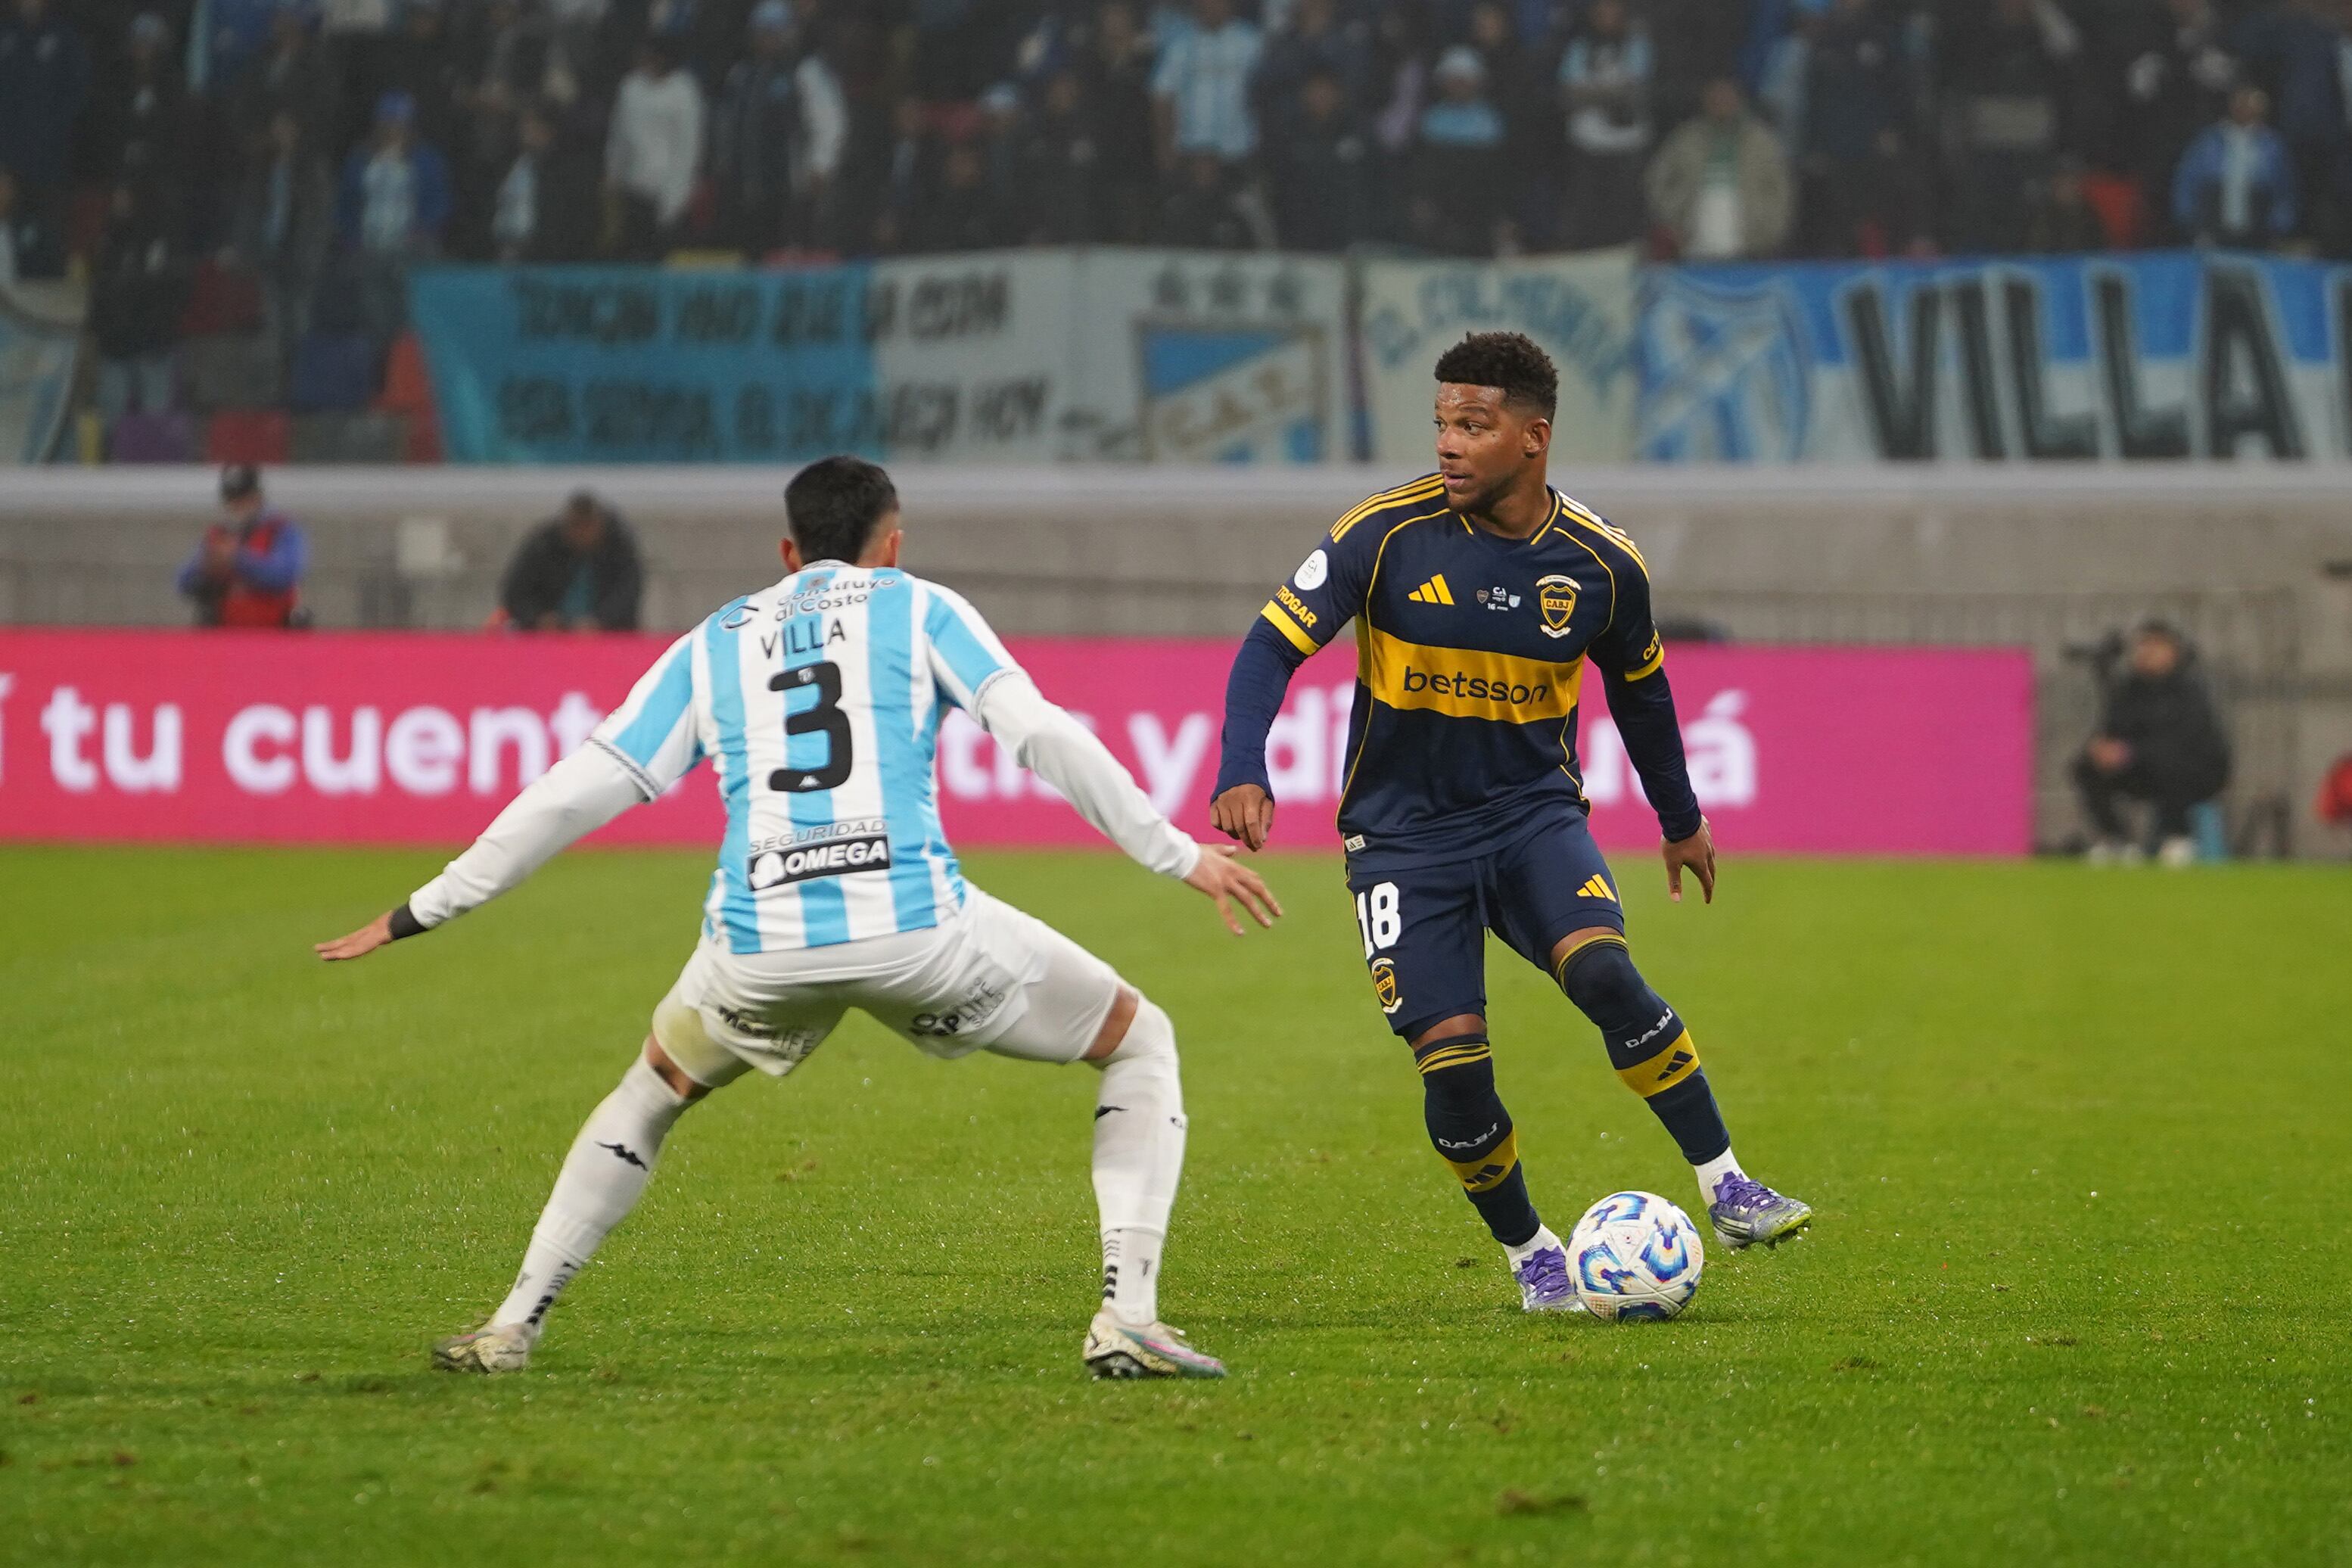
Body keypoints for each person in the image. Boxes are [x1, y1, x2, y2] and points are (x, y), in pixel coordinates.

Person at [315, 456, 1279, 1380]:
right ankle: (1129, 1314)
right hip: (917, 935)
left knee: (647, 1096)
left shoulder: (714, 639)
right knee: (1138, 1039)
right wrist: (1176, 852)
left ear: (788, 552)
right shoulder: (920, 605)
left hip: (759, 949)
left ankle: (511, 1323)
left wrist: (422, 908)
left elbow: (573, 791)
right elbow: (1043, 733)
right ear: (891, 545)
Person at [1210, 331, 1812, 1314]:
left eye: (1474, 426)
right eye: (1442, 423)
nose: (1448, 444)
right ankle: (1533, 1254)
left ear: (1533, 439)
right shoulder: (1383, 535)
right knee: (1452, 1063)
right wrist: (1243, 765)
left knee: (1607, 972)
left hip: (1532, 819)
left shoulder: (1603, 565)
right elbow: (1268, 647)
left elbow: (1644, 695)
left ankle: (1728, 1187)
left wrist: (1681, 818)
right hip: (1403, 841)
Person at [2074, 621, 2231, 867]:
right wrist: (2102, 748)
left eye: (2155, 645)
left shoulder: (2190, 692)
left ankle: (2177, 837)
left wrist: (2131, 752)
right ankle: (2118, 841)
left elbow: (2183, 744)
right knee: (2086, 766)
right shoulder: (2128, 690)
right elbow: (2113, 730)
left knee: (2172, 764)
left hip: (2194, 774)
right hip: (2143, 769)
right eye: (2142, 645)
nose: (2146, 652)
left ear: (2173, 652)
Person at [1646, 77, 1793, 260]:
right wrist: (1671, 218)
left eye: (1726, 98)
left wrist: (1771, 227)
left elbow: (1780, 188)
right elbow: (1657, 180)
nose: (1721, 103)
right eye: (1715, 98)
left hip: (1749, 237)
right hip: (1694, 236)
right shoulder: (1685, 138)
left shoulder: (1762, 141)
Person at [604, 33, 704, 260]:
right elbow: (618, 134)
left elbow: (687, 149)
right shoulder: (630, 87)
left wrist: (675, 200)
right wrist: (613, 172)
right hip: (632, 187)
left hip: (665, 190)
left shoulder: (684, 91)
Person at [177, 465, 309, 629]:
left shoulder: (281, 530)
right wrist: (206, 569)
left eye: (243, 499)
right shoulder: (218, 534)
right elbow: (183, 583)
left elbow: (284, 575)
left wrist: (238, 560)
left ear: (257, 497)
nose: (236, 506)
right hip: (225, 634)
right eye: (231, 500)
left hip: (275, 634)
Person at [496, 490, 644, 631]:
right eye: (576, 526)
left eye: (588, 526)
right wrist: (538, 618)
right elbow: (515, 592)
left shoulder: (619, 547)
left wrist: (600, 621)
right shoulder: (544, 545)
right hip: (548, 634)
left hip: (608, 635)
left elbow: (627, 593)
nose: (582, 533)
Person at [2171, 86, 2298, 247]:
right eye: (2242, 101)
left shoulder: (2272, 145)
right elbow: (2187, 182)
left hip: (2258, 228)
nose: (2247, 107)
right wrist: (2190, 223)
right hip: (2212, 224)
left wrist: (2279, 229)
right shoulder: (2209, 142)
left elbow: (2284, 189)